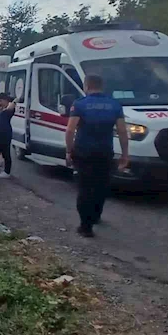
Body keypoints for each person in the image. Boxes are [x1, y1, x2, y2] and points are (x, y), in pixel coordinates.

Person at [65, 74, 129, 238]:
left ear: (86, 86)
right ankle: (96, 216)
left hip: (84, 152)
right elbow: (122, 131)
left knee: (85, 187)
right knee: (101, 186)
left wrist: (68, 150)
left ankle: (85, 226)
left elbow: (70, 130)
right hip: (105, 152)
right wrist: (125, 154)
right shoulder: (114, 104)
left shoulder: (80, 104)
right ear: (102, 86)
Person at [0, 93, 16, 179]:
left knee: (5, 152)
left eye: (1, 100)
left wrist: (12, 101)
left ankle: (7, 171)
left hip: (5, 132)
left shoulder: (10, 109)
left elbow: (12, 104)